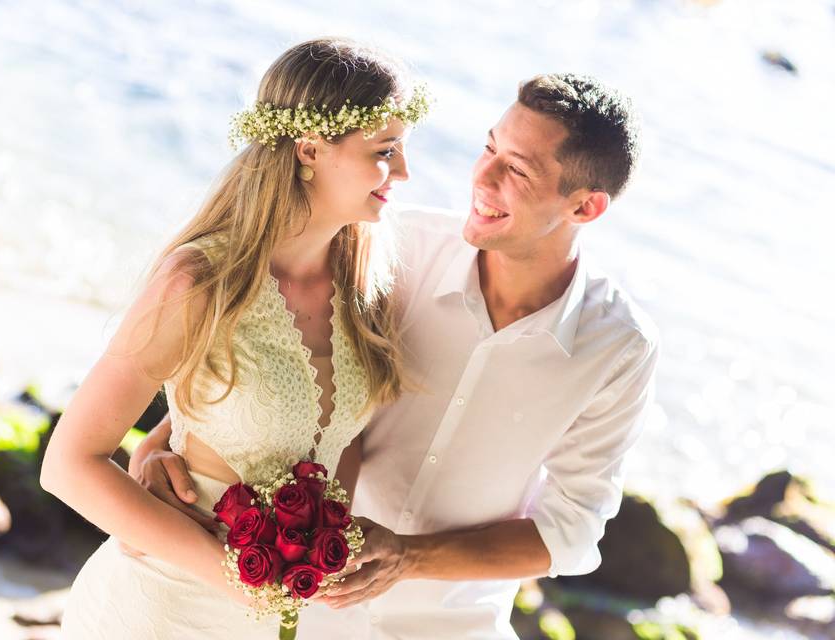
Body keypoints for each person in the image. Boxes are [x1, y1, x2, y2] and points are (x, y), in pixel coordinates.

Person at [132, 72, 659, 639]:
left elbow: (570, 534)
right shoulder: (391, 247)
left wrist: (409, 557)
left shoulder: (619, 348)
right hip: (299, 609)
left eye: (518, 169)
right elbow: (277, 353)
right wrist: (166, 440)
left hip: (454, 626)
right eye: (489, 148)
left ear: (586, 207)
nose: (482, 177)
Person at [39, 37, 429, 639]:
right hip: (160, 610)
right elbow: (69, 465)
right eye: (386, 150)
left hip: (281, 622)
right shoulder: (202, 282)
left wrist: (321, 555)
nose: (403, 172)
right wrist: (234, 577)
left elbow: (328, 443)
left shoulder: (366, 293)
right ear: (309, 149)